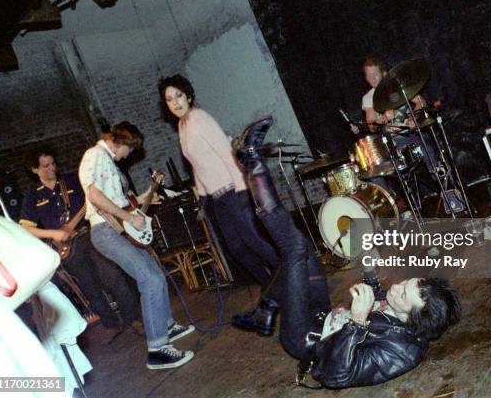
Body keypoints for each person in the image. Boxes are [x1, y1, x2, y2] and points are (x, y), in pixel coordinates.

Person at [234, 115, 462, 389]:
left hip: (307, 338)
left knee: (292, 247)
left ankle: (252, 160)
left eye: (403, 293)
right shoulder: (403, 313)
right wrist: (370, 271)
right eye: (407, 282)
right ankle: (267, 306)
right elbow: (380, 304)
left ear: (412, 318)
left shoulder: (401, 354)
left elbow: (336, 376)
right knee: (304, 247)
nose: (399, 285)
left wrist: (357, 321)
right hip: (324, 316)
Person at [159, 75, 280, 335]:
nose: (175, 102)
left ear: (188, 95)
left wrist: (241, 190)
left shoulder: (200, 118)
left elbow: (227, 152)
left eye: (178, 95)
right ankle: (271, 288)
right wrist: (201, 198)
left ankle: (294, 281)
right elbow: (196, 166)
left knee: (254, 242)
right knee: (237, 249)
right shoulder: (182, 126)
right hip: (216, 197)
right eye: (169, 99)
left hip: (232, 191)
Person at [78, 122, 195, 370]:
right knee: (150, 279)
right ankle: (158, 350)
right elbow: (94, 196)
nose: (128, 155)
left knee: (155, 276)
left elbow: (122, 202)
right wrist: (130, 217)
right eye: (129, 150)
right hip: (106, 231)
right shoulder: (96, 155)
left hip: (117, 228)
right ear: (121, 143)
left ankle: (165, 327)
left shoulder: (108, 162)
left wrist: (146, 198)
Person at [19, 146, 142, 338]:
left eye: (53, 164)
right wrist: (54, 234)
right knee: (89, 287)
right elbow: (25, 228)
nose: (51, 168)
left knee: (112, 276)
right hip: (68, 247)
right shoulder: (33, 195)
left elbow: (95, 198)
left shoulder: (72, 180)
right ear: (34, 170)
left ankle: (134, 319)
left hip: (90, 234)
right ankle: (111, 324)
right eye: (45, 166)